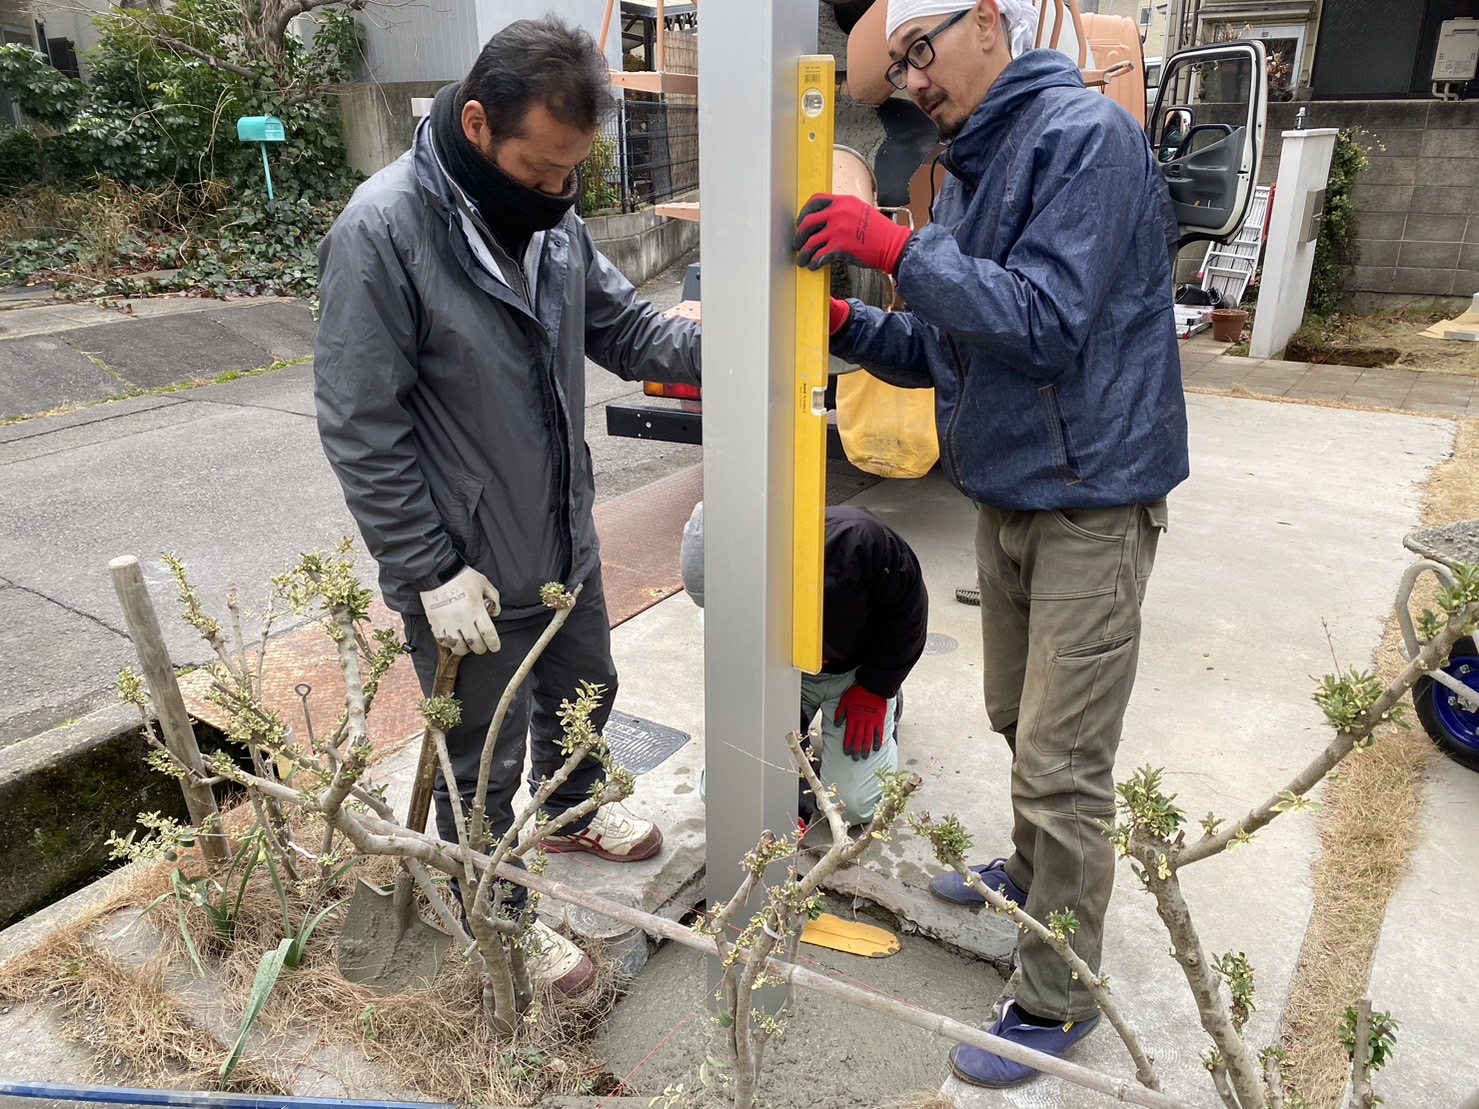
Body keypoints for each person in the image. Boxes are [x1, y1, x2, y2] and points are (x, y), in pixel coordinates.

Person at [792, 0, 1187, 1087]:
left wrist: (899, 250)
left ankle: (1058, 999)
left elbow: (1047, 320)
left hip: (1093, 495)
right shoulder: (972, 161)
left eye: (921, 53)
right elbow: (949, 343)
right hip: (1015, 492)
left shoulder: (1083, 141)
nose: (914, 82)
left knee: (1065, 760)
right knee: (1019, 716)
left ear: (985, 23)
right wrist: (854, 324)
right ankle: (1031, 867)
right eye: (899, 71)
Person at [313, 16, 701, 995]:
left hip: (563, 538)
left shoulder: (552, 222)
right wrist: (428, 570)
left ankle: (570, 810)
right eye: (540, 171)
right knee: (480, 760)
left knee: (585, 692)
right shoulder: (383, 230)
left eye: (573, 175)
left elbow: (630, 329)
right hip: (467, 570)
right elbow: (362, 423)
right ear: (478, 125)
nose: (558, 194)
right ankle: (501, 905)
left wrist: (744, 342)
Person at [679, 503, 929, 827]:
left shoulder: (860, 542)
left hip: (857, 674)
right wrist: (787, 795)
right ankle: (801, 730)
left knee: (852, 808)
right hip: (784, 675)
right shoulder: (728, 611)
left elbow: (908, 617)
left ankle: (889, 708)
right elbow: (742, 688)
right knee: (723, 792)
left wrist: (878, 686)